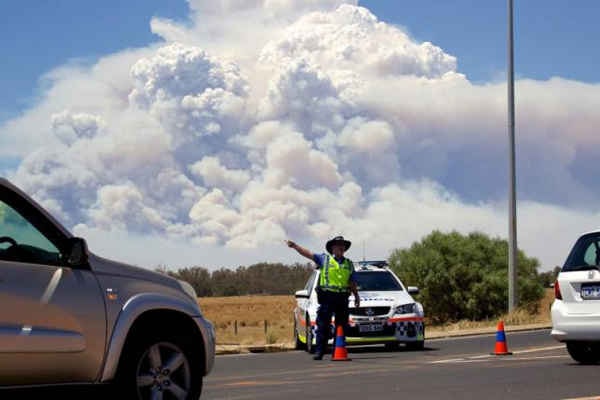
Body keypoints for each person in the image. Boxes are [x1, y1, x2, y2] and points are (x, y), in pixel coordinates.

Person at [286, 236, 360, 360]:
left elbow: (351, 282)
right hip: (327, 297)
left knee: (341, 325)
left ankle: (338, 350)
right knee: (323, 325)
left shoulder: (349, 264)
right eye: (338, 245)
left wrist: (356, 296)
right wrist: (295, 246)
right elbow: (308, 254)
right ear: (332, 248)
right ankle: (320, 351)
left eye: (343, 245)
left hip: (342, 297)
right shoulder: (324, 259)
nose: (341, 247)